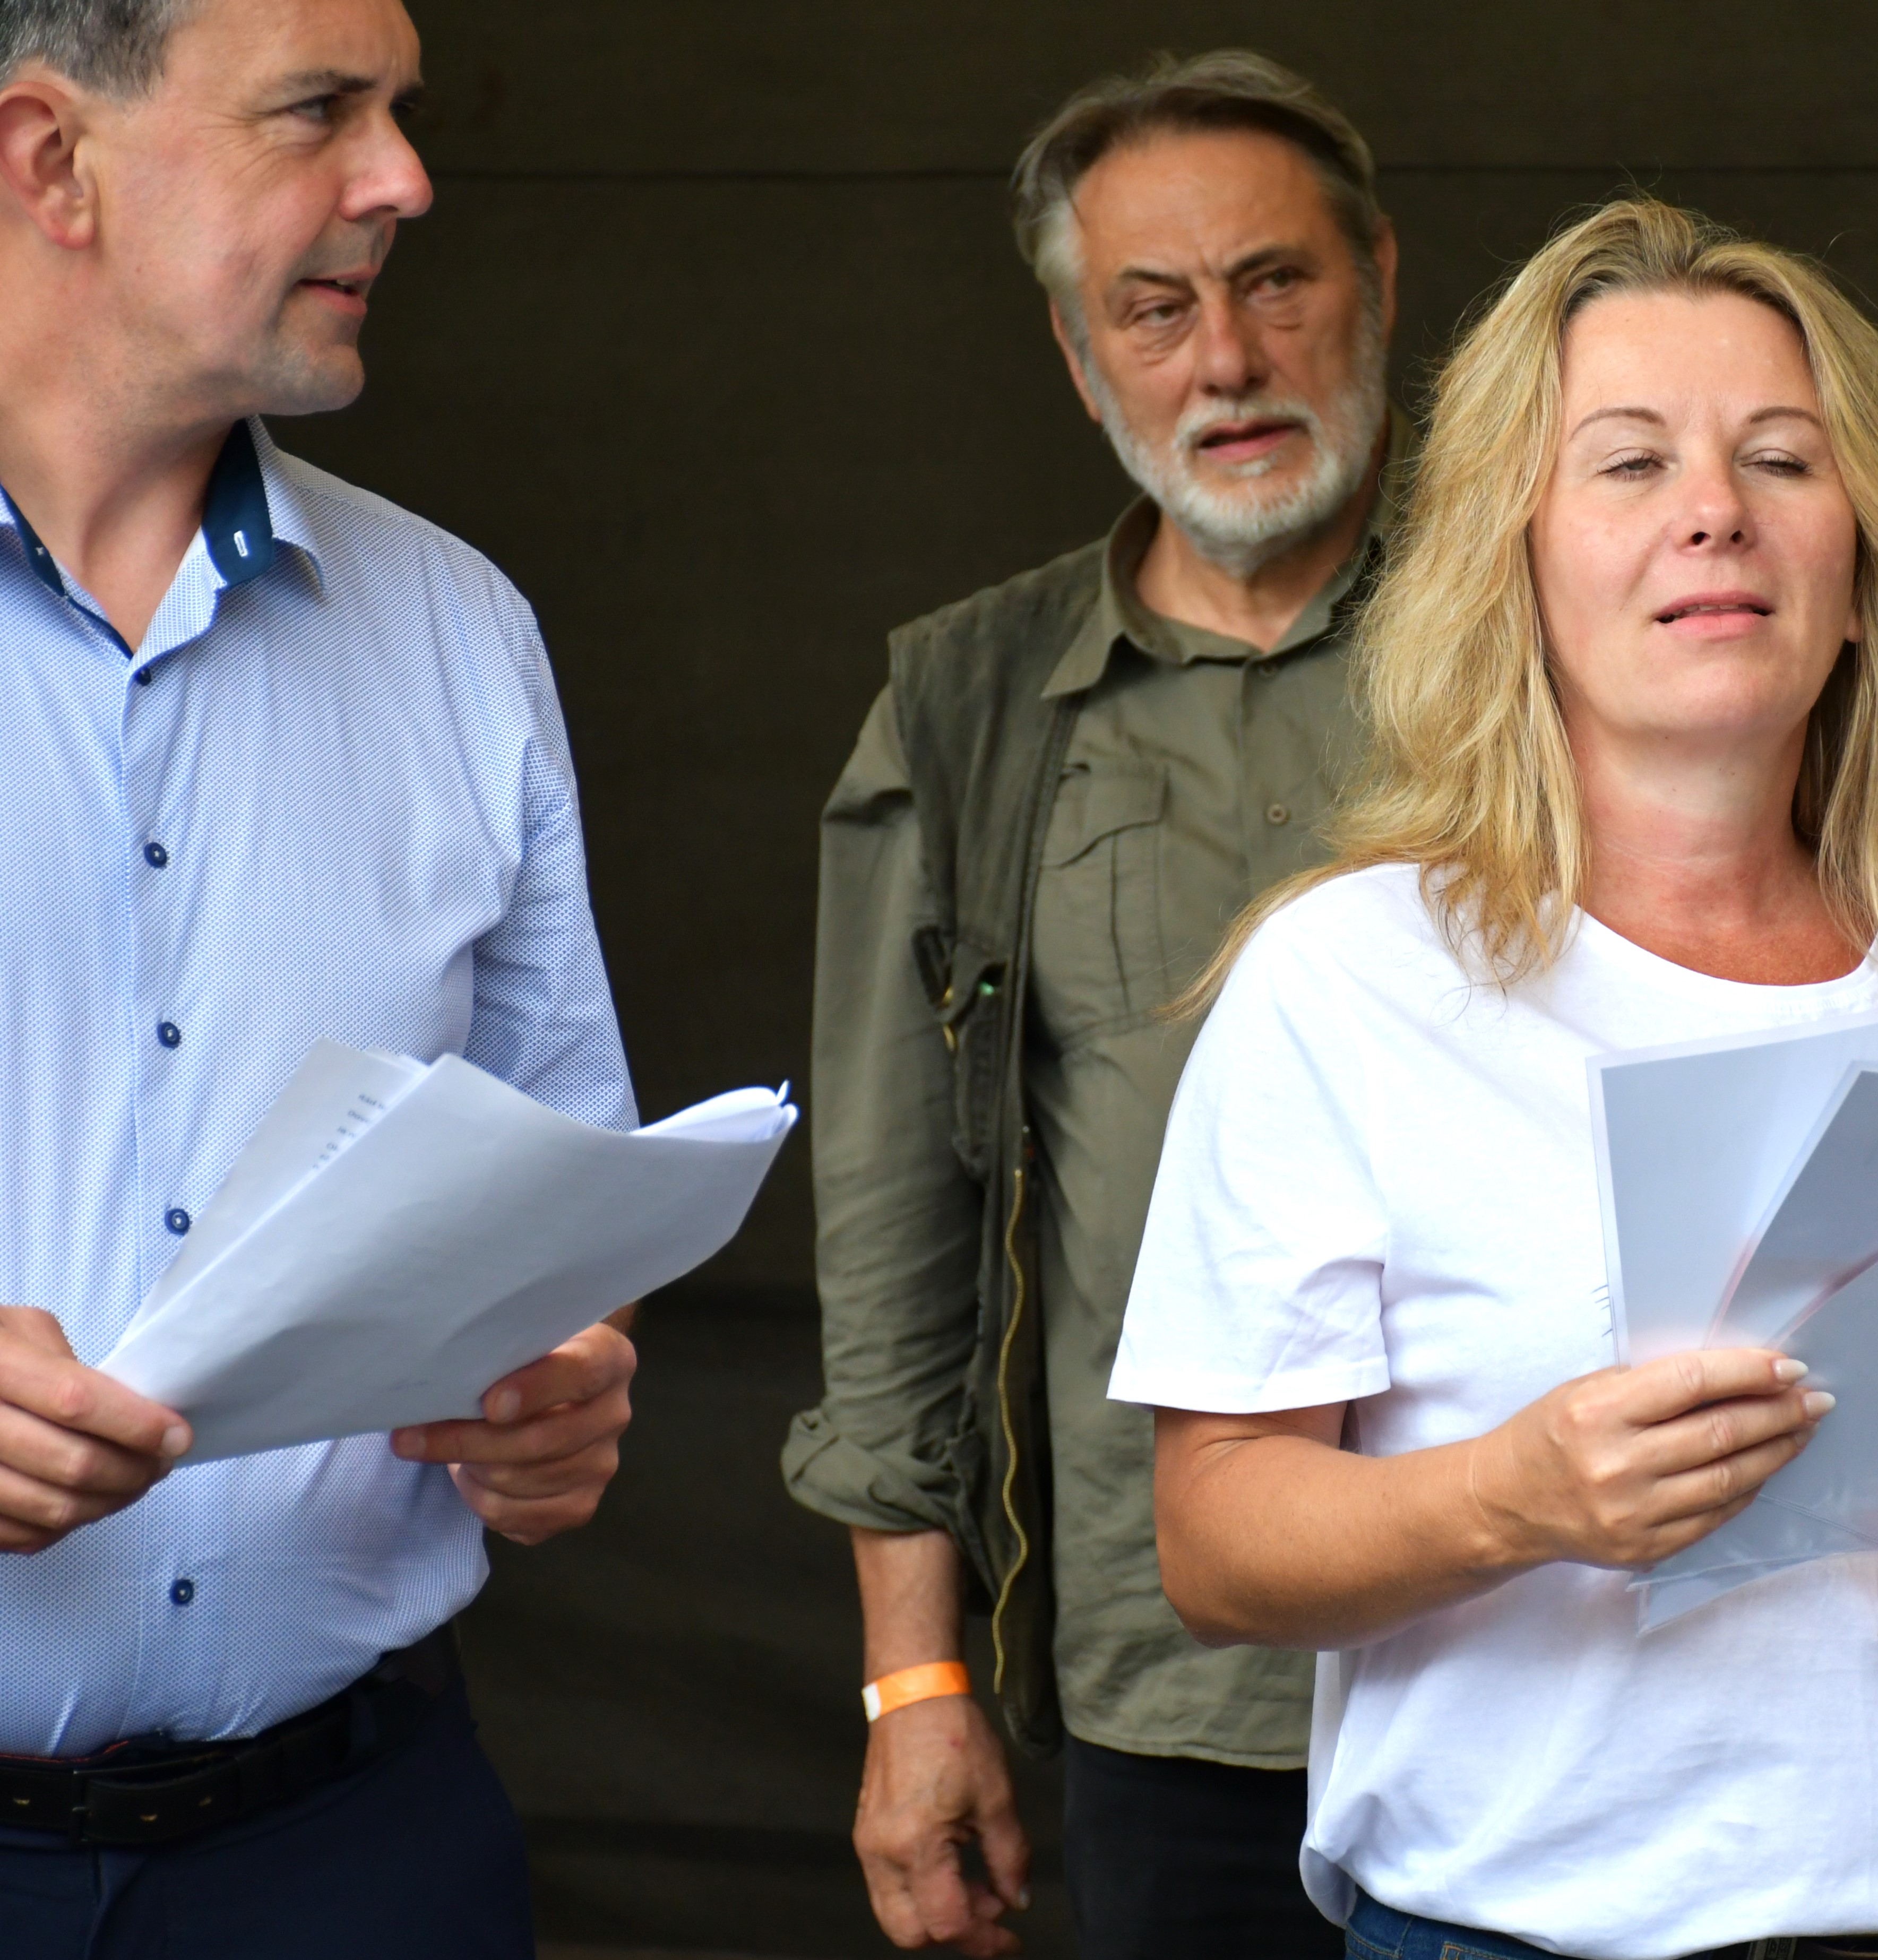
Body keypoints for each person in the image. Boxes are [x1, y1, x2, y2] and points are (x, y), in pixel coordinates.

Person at [1113, 198, 1878, 1960]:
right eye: (1629, 463)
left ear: (1864, 565)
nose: (1715, 509)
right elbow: (1213, 1544)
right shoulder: (1352, 976)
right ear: (1514, 563)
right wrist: (1509, 1499)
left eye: (1780, 457)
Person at [0, 2, 641, 1952]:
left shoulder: (456, 629)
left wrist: (556, 1387)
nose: (407, 180)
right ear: (50, 161)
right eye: (317, 113)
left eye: (401, 112)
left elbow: (559, 1182)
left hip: (357, 1852)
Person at [780, 47, 1401, 1960]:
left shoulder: (1560, 626)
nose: (1226, 359)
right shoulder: (965, 712)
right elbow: (895, 1234)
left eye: (1274, 282)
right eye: (1153, 309)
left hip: (1551, 1642)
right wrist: (916, 1685)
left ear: (1377, 280)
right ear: (1078, 353)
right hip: (1175, 1679)